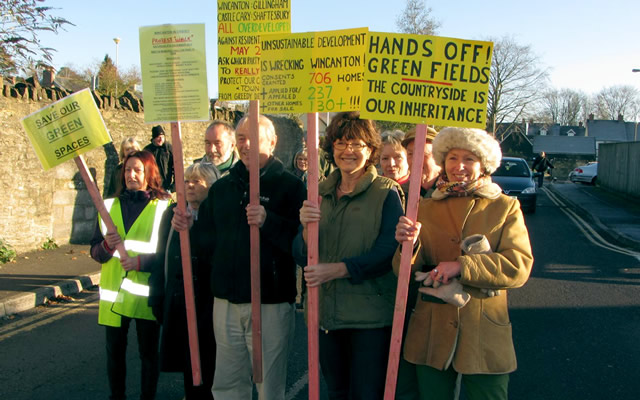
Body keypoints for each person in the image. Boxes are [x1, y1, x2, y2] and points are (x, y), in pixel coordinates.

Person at [172, 114, 305, 400]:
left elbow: (301, 247)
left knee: (268, 388)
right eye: (242, 138)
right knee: (228, 387)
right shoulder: (221, 189)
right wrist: (188, 227)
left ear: (273, 141)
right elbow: (206, 247)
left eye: (254, 138)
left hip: (270, 303)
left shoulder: (291, 187)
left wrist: (268, 221)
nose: (247, 145)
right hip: (227, 304)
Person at [394, 127, 533, 400]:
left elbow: (519, 266)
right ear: (443, 162)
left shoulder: (504, 207)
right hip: (431, 331)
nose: (459, 166)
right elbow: (402, 272)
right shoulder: (423, 207)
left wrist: (462, 266)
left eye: (469, 159)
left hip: (483, 330)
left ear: (483, 164)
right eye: (453, 158)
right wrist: (406, 246)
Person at [293, 111, 405, 399]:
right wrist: (306, 228)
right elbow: (300, 253)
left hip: (369, 319)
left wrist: (339, 269)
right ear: (331, 148)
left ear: (370, 150)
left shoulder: (386, 193)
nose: (348, 151)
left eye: (357, 144)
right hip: (325, 315)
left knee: (366, 394)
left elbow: (387, 251)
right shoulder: (319, 192)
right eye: (341, 143)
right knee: (337, 392)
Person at [90, 150, 172, 400]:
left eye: (138, 170)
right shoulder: (107, 206)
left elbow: (170, 254)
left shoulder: (164, 207)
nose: (131, 175)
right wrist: (106, 246)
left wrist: (140, 262)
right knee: (114, 353)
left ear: (149, 173)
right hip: (114, 296)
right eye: (127, 170)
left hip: (147, 294)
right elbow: (95, 252)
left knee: (148, 354)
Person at [149, 162, 220, 399]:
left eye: (197, 181)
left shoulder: (218, 216)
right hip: (179, 302)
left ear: (211, 186)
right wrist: (157, 296)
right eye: (187, 180)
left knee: (211, 368)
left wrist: (195, 229)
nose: (190, 185)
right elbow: (161, 255)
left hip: (210, 305)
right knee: (189, 369)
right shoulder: (173, 213)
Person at [401, 127, 441, 199]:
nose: (414, 161)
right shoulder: (402, 193)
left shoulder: (451, 190)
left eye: (421, 154)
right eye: (410, 154)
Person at [144, 125, 175, 192]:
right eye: (158, 137)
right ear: (154, 138)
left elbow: (176, 167)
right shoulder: (147, 150)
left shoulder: (169, 149)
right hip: (151, 187)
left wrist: (173, 187)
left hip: (166, 186)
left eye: (162, 137)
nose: (161, 139)